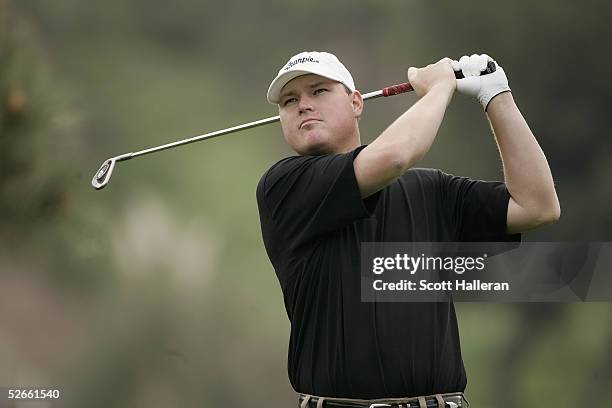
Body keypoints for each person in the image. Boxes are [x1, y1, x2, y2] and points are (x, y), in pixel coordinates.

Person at [256, 51, 560, 408]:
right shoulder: (284, 186)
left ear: (356, 103)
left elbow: (537, 205)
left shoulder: (431, 190)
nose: (303, 105)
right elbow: (395, 156)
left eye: (318, 91)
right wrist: (439, 89)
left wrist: (496, 96)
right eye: (290, 101)